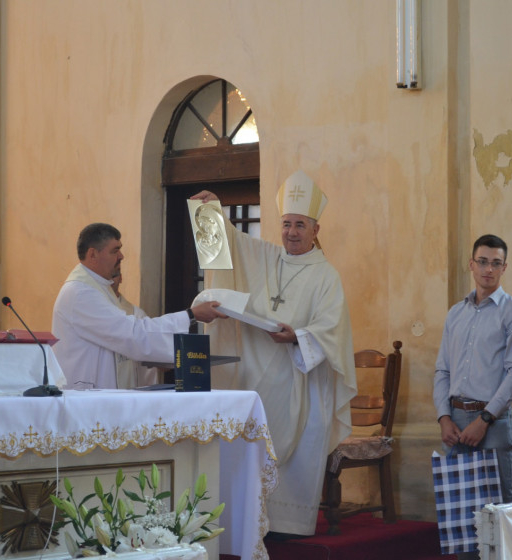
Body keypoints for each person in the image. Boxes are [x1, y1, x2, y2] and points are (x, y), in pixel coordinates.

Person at [191, 170, 357, 538]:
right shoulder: (268, 257)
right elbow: (234, 245)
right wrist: (210, 213)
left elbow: (332, 330)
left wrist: (298, 336)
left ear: (315, 229)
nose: (291, 232)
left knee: (292, 453)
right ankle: (247, 520)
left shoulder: (326, 276)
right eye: (286, 224)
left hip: (300, 380)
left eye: (300, 225)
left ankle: (285, 526)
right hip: (257, 379)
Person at [433, 234, 512, 527]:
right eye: (482, 261)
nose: (488, 269)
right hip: (454, 420)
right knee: (459, 510)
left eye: (496, 263)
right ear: (471, 264)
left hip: (492, 421)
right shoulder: (456, 313)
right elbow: (442, 371)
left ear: (504, 268)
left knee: (499, 509)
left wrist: (485, 419)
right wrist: (443, 417)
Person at [52, 223, 225, 389]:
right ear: (92, 254)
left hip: (100, 395)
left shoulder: (98, 288)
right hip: (87, 397)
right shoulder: (81, 293)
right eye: (115, 251)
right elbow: (132, 334)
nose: (121, 256)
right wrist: (191, 315)